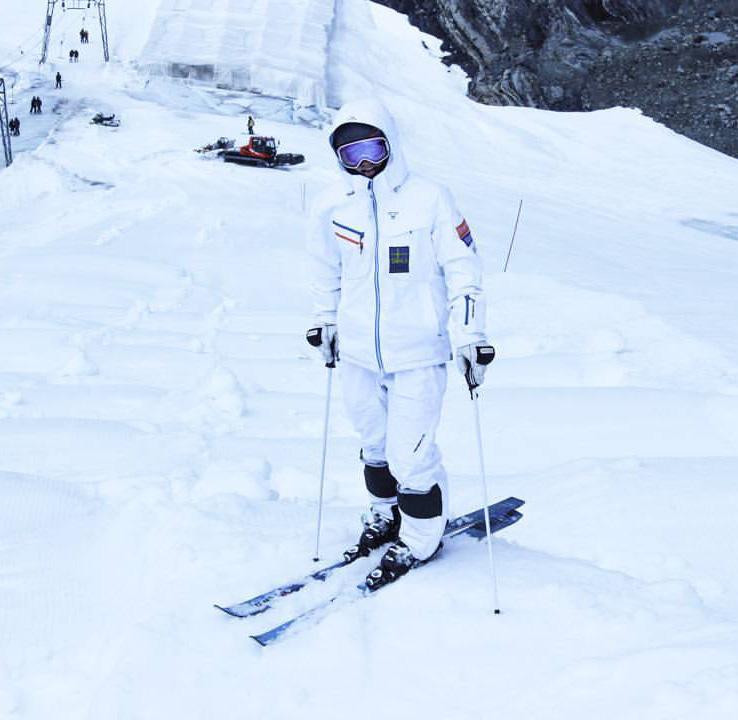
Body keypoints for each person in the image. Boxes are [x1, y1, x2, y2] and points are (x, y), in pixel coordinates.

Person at [306, 98, 494, 590]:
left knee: (410, 455)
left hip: (417, 353)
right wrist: (325, 324)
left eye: (371, 148)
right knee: (374, 445)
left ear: (390, 144)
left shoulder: (430, 198)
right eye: (351, 154)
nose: (364, 162)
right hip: (358, 355)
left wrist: (470, 334)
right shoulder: (331, 206)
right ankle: (384, 516)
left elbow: (463, 269)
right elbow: (326, 273)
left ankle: (420, 538)